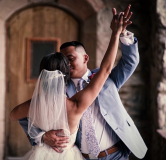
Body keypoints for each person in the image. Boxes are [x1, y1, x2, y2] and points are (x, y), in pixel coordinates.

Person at [11, 4, 147, 160]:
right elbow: (24, 118)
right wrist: (41, 136)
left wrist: (122, 34)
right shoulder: (60, 93)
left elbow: (129, 62)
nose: (67, 65)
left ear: (85, 58)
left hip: (115, 154)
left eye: (70, 59)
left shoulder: (106, 80)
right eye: (64, 62)